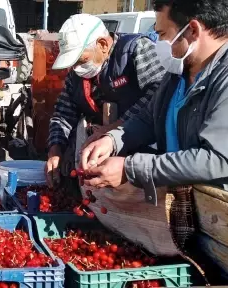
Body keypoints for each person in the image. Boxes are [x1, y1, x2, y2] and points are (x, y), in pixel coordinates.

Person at [80, 0, 228, 284]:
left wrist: (130, 168)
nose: (159, 42)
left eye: (164, 34)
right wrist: (113, 140)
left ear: (192, 30)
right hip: (203, 227)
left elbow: (217, 160)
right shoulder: (179, 73)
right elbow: (147, 118)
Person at [45, 14, 166, 187]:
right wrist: (55, 148)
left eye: (82, 60)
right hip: (102, 159)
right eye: (73, 63)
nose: (76, 68)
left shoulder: (136, 50)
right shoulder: (76, 74)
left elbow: (159, 92)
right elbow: (64, 113)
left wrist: (116, 127)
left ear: (102, 45)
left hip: (144, 158)